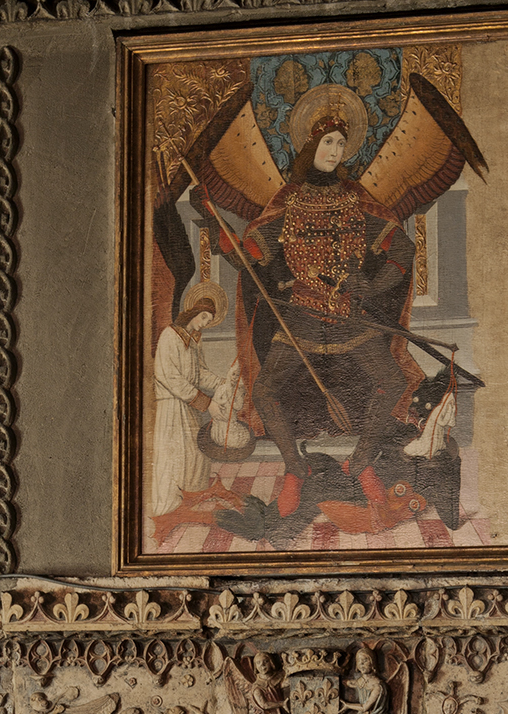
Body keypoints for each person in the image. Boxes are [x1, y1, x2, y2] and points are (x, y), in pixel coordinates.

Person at [232, 86, 421, 521]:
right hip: (300, 315)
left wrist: (371, 288)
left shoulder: (355, 198)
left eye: (340, 143)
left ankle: (360, 464)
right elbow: (256, 247)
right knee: (263, 390)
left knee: (391, 382)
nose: (335, 151)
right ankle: (295, 469)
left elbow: (403, 250)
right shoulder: (290, 200)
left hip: (349, 317)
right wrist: (247, 254)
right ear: (311, 145)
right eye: (328, 142)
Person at [152, 283, 225, 516]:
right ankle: (170, 508)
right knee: (175, 457)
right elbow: (169, 377)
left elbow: (200, 373)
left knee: (195, 456)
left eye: (209, 319)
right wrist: (206, 402)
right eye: (204, 317)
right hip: (173, 408)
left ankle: (192, 504)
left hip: (191, 408)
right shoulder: (169, 336)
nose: (205, 323)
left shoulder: (194, 341)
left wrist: (223, 383)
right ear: (192, 312)